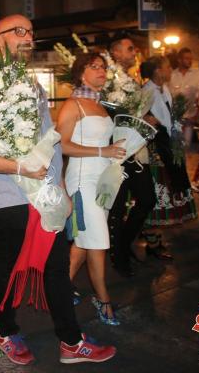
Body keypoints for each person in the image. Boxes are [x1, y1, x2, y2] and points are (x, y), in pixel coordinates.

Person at [0, 14, 116, 366]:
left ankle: (71, 342)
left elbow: (52, 141)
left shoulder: (32, 86)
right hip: (7, 194)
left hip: (45, 194)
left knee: (57, 267)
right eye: (19, 31)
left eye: (31, 31)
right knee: (12, 267)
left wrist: (60, 186)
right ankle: (5, 330)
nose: (28, 37)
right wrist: (19, 167)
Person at [57, 52, 126, 325]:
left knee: (84, 243)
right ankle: (103, 299)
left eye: (103, 67)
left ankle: (57, 287)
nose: (101, 71)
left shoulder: (100, 105)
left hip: (103, 180)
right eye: (94, 67)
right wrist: (103, 149)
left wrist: (119, 150)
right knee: (97, 242)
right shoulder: (73, 104)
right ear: (80, 73)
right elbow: (61, 145)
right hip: (83, 180)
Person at [107, 36, 169, 279]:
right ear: (116, 52)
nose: (135, 52)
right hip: (118, 151)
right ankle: (119, 256)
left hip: (136, 149)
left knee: (146, 199)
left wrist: (146, 120)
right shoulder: (110, 80)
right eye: (130, 48)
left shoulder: (131, 81)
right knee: (118, 206)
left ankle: (123, 244)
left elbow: (133, 113)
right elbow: (112, 113)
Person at [140, 56, 197, 226]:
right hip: (156, 145)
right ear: (158, 70)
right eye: (167, 67)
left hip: (168, 139)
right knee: (162, 182)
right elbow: (141, 116)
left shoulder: (163, 88)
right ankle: (154, 225)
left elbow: (168, 114)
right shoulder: (146, 91)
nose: (170, 70)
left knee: (175, 175)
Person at [169, 48, 199, 148]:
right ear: (179, 60)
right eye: (187, 58)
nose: (190, 61)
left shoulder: (197, 75)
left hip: (189, 119)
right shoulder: (172, 75)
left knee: (186, 148)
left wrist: (196, 117)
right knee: (175, 149)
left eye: (191, 58)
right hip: (174, 119)